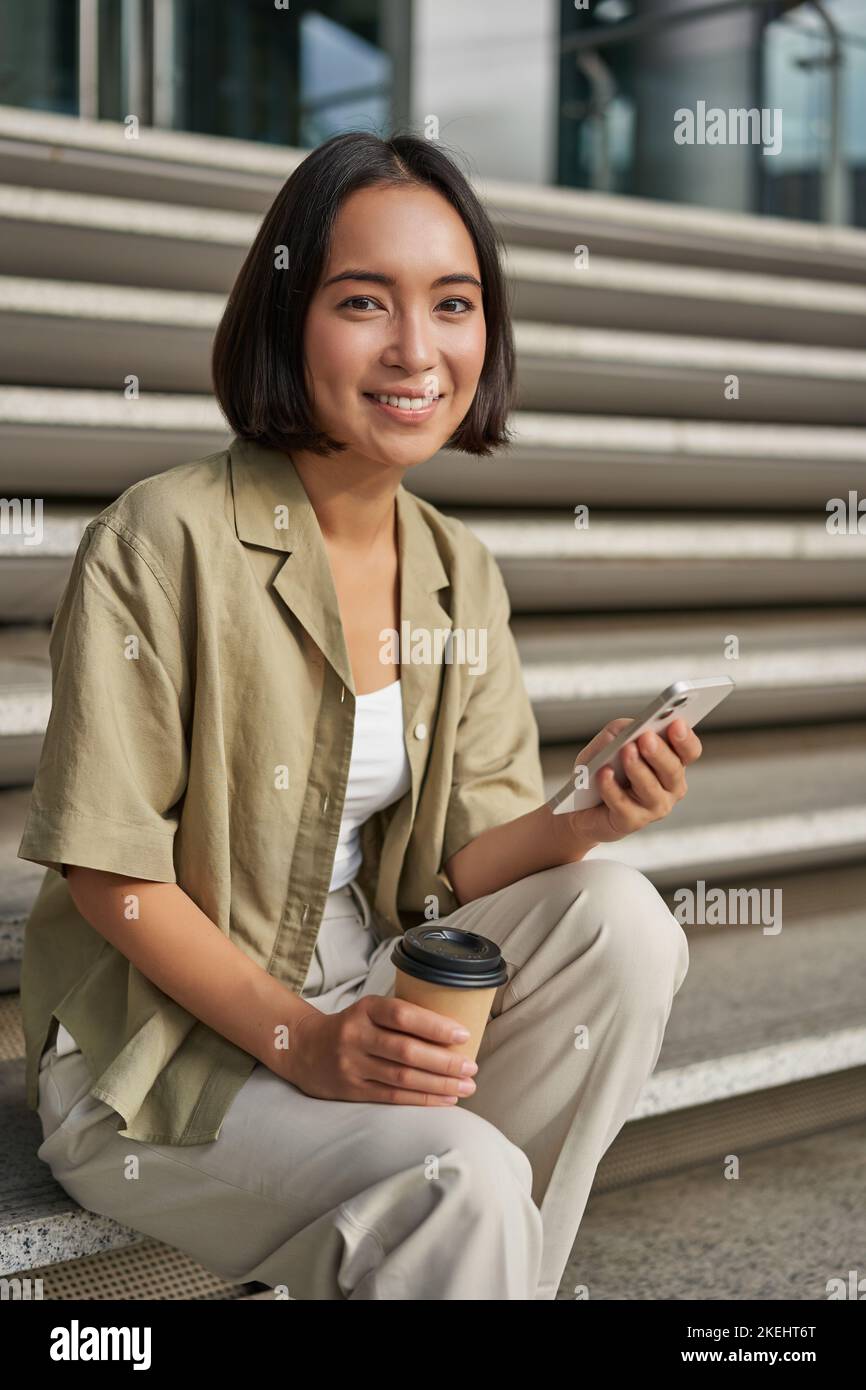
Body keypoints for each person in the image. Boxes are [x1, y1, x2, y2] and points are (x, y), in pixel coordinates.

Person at [18, 130, 699, 1301]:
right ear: (287, 318)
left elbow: (458, 865)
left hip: (363, 978)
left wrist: (581, 816)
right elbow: (107, 868)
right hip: (159, 1044)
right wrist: (303, 1040)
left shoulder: (453, 566)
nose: (415, 350)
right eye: (362, 302)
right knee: (461, 1178)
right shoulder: (160, 537)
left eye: (452, 303)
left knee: (623, 923)